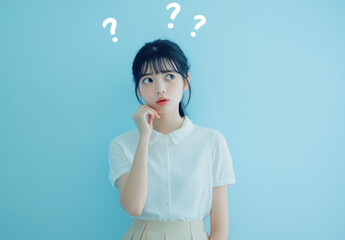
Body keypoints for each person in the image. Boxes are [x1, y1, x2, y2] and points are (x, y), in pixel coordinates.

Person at [108, 39, 236, 240]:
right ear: (138, 89)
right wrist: (144, 138)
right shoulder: (122, 145)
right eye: (148, 80)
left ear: (186, 81)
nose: (160, 88)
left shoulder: (211, 141)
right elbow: (133, 207)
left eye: (169, 76)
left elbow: (220, 229)